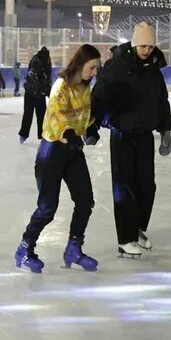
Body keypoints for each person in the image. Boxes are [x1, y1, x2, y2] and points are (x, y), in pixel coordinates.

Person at [14, 44, 103, 274]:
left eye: (96, 69)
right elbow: (56, 116)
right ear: (81, 64)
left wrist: (91, 128)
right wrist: (69, 133)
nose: (94, 73)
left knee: (85, 201)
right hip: (53, 150)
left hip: (73, 151)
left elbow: (83, 115)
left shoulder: (85, 87)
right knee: (47, 209)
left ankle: (74, 248)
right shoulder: (61, 86)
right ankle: (25, 249)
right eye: (92, 68)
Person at [91, 22, 171, 259]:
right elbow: (99, 96)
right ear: (135, 43)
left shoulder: (154, 71)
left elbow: (161, 101)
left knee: (147, 186)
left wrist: (165, 130)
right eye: (143, 45)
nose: (147, 50)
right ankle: (125, 239)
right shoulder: (117, 67)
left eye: (150, 45)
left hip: (145, 135)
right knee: (125, 188)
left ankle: (137, 229)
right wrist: (92, 126)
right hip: (123, 134)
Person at [19, 47, 53, 143]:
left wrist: (48, 92)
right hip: (31, 93)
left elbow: (48, 79)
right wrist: (46, 91)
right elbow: (33, 79)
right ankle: (23, 135)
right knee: (28, 114)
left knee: (41, 115)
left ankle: (42, 135)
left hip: (38, 94)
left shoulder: (46, 62)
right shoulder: (36, 62)